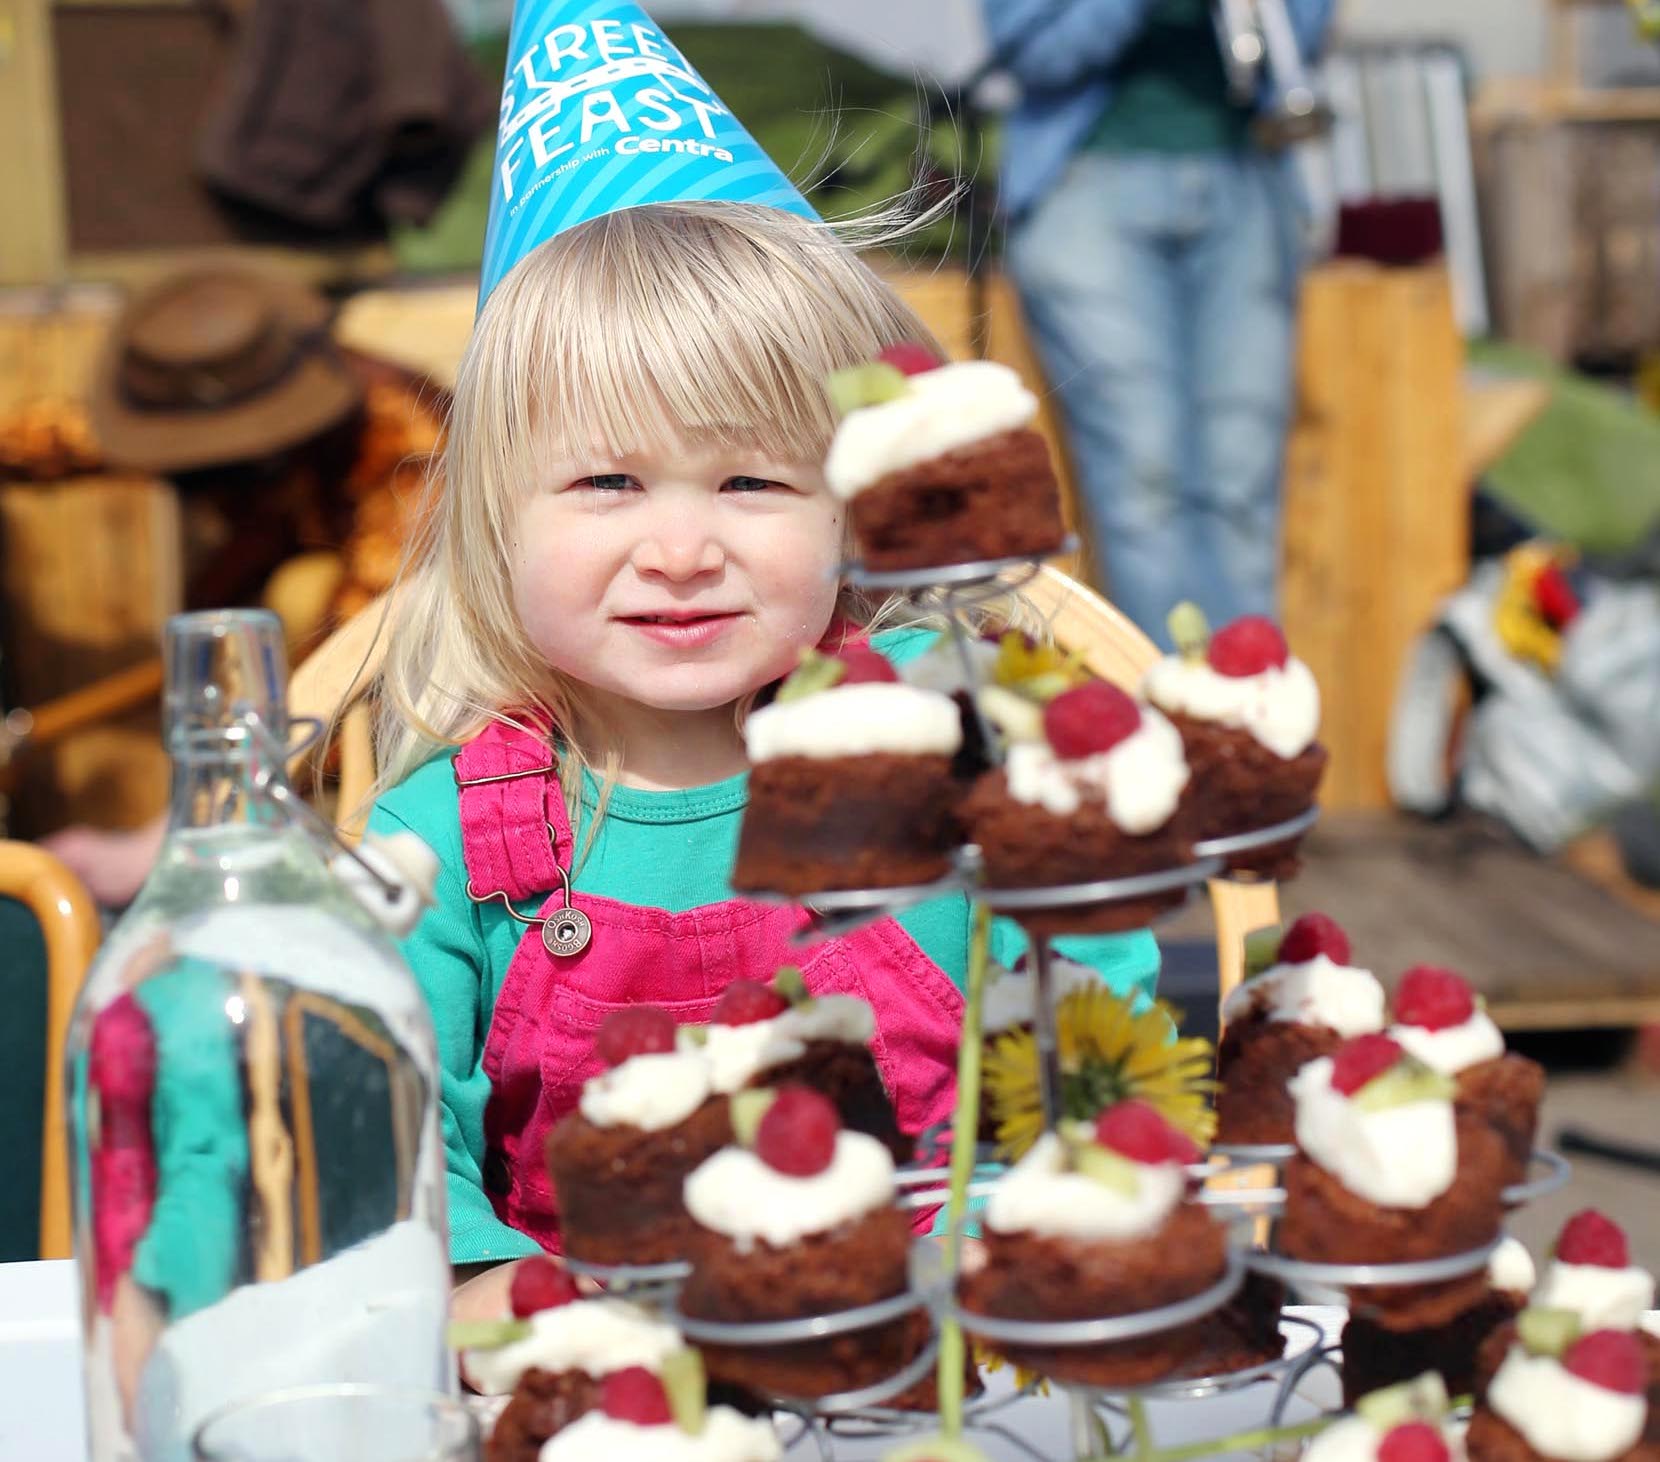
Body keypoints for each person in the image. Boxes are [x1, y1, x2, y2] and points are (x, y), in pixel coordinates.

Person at [361, 0, 1163, 1322]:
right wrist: (485, 1291)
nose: (681, 548)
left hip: (934, 1360)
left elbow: (1092, 1021)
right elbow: (394, 1129)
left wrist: (1045, 1213)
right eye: (607, 481)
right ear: (495, 512)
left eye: (747, 479)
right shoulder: (442, 839)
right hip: (597, 1389)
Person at [983, 0, 1336, 641]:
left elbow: (1304, 39)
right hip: (1090, 191)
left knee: (1243, 485)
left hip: (1245, 186)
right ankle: (1176, 717)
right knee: (1143, 485)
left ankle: (1249, 715)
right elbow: (1035, 52)